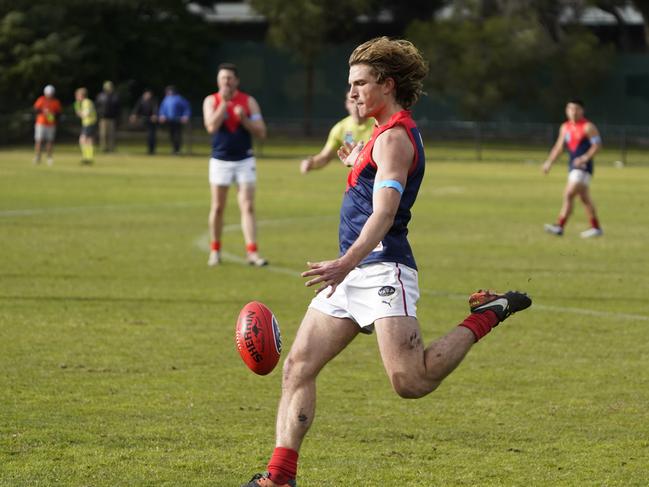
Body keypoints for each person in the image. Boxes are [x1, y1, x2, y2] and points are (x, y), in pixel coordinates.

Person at [241, 37, 532, 487]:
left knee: (409, 381)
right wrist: (359, 164)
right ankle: (279, 477)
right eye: (350, 84)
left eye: (360, 83)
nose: (353, 92)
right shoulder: (378, 135)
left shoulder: (394, 138)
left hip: (381, 270)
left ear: (387, 84)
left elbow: (385, 214)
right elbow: (374, 189)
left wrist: (344, 262)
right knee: (298, 365)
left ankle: (489, 314)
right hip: (351, 273)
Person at [203, 63, 268, 267]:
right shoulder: (211, 101)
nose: (226, 82)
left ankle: (252, 252)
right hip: (220, 160)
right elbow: (211, 127)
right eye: (223, 78)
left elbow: (261, 132)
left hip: (244, 160)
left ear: (236, 81)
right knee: (218, 207)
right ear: (218, 80)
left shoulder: (249, 101)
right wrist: (223, 104)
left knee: (247, 206)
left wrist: (245, 120)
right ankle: (215, 250)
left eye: (230, 78)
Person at [542, 99, 604, 238]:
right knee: (584, 198)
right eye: (570, 109)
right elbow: (559, 147)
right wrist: (549, 162)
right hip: (572, 167)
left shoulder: (588, 127)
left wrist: (584, 158)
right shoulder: (565, 127)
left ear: (582, 110)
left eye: (576, 109)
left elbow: (597, 146)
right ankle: (596, 227)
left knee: (568, 193)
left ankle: (559, 226)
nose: (573, 112)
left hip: (583, 167)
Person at [299, 95, 374, 174]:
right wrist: (311, 162)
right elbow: (325, 157)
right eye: (352, 102)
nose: (355, 106)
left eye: (359, 102)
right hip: (360, 180)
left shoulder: (378, 123)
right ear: (346, 104)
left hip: (379, 175)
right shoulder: (340, 128)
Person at [32, 84, 62, 165]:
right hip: (41, 123)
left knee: (50, 141)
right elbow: (35, 109)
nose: (49, 95)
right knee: (39, 140)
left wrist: (53, 115)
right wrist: (43, 111)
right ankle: (38, 157)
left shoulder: (55, 102)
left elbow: (59, 113)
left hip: (51, 124)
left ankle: (49, 157)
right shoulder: (41, 99)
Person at [159, 85, 191, 155]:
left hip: (178, 120)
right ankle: (174, 149)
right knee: (171, 135)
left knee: (177, 135)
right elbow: (162, 108)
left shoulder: (179, 98)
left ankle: (177, 150)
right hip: (169, 120)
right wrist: (162, 115)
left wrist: (185, 116)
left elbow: (186, 108)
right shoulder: (166, 99)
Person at [129, 89, 159, 155]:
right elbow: (136, 109)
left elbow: (155, 109)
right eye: (146, 94)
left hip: (152, 121)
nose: (147, 96)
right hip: (144, 119)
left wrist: (155, 115)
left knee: (151, 135)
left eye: (148, 94)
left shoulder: (153, 101)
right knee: (148, 135)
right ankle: (149, 150)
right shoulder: (141, 101)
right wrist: (134, 115)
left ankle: (151, 150)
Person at [74, 88, 97, 165]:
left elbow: (86, 114)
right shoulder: (87, 102)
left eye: (77, 96)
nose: (77, 97)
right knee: (88, 140)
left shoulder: (86, 102)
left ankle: (87, 157)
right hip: (89, 123)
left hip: (89, 123)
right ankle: (88, 157)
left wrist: (79, 112)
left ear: (82, 95)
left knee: (83, 140)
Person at [95, 80, 120, 152]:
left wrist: (117, 117)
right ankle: (103, 148)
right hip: (103, 118)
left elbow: (118, 108)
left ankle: (111, 148)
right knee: (103, 134)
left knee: (111, 134)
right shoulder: (100, 96)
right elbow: (97, 106)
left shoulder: (115, 97)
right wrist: (99, 114)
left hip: (112, 118)